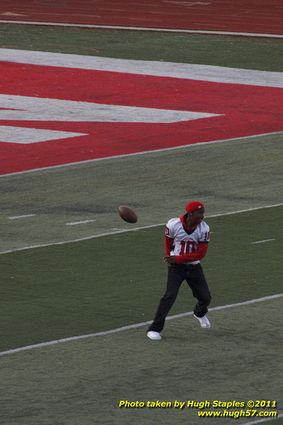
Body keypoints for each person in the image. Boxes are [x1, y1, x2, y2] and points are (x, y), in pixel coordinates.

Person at [147, 200, 212, 341]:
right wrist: (169, 257)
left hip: (194, 266)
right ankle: (154, 329)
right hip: (177, 268)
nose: (202, 216)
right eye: (199, 213)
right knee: (169, 296)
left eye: (203, 213)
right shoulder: (173, 224)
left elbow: (200, 254)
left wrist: (178, 258)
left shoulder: (204, 229)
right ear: (190, 213)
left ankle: (199, 313)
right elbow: (168, 242)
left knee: (205, 297)